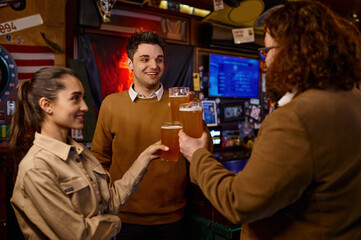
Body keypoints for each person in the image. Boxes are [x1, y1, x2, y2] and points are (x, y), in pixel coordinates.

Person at [179, 1, 361, 239]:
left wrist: (197, 156)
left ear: (293, 51)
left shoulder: (294, 119)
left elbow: (240, 203)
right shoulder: (353, 98)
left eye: (267, 51)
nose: (264, 64)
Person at [9, 66, 168, 239]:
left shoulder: (80, 151)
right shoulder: (37, 167)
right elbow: (79, 235)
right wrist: (115, 223)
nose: (85, 107)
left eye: (83, 98)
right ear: (47, 105)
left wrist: (143, 160)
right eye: (75, 98)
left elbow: (109, 203)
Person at [91, 31, 189, 240]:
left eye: (159, 60)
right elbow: (99, 159)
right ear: (130, 64)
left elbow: (202, 150)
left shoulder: (181, 101)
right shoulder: (111, 104)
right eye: (145, 59)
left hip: (172, 218)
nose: (153, 65)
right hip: (124, 216)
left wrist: (196, 118)